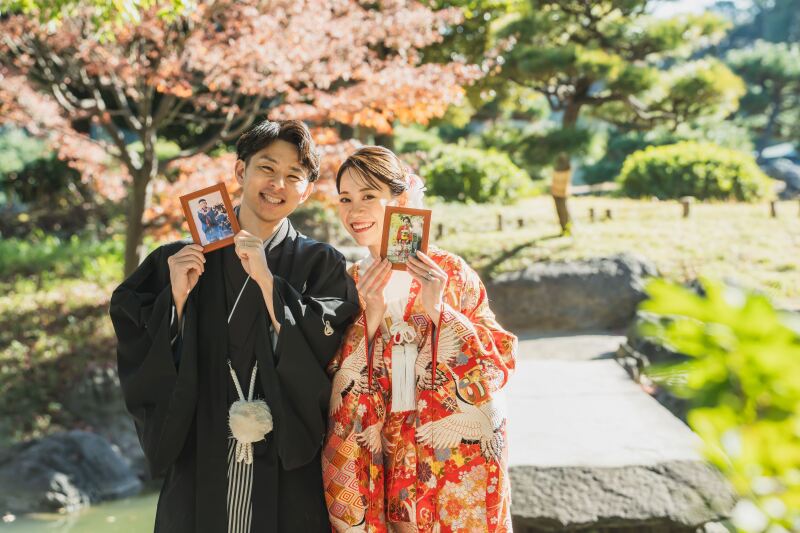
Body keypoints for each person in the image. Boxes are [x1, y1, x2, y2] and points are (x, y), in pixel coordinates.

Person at [109, 119, 360, 533]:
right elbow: (133, 324)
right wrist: (174, 300)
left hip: (284, 456)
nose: (277, 183)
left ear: (307, 190)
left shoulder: (321, 265)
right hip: (200, 447)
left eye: (293, 175)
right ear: (240, 171)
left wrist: (269, 285)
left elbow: (328, 347)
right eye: (267, 168)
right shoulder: (181, 258)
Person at [323, 146, 517, 532]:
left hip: (448, 448)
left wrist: (438, 310)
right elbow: (334, 374)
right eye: (345, 199)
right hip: (381, 445)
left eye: (368, 197)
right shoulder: (350, 281)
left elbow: (498, 358)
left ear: (401, 200)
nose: (354, 211)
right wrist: (372, 316)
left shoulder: (448, 271)